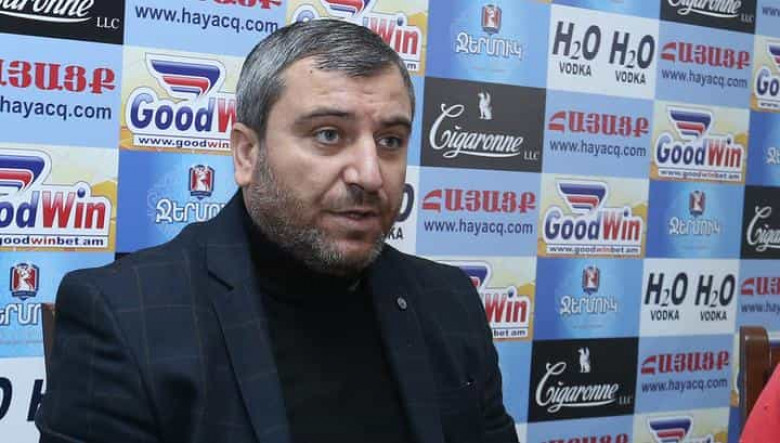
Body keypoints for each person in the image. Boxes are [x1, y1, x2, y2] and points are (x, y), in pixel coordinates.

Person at [36, 19, 517, 443]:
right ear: (248, 154)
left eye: (390, 140)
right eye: (328, 135)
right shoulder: (124, 316)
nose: (370, 174)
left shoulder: (449, 300)